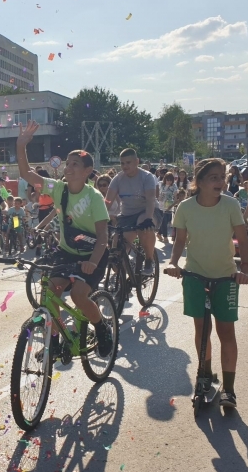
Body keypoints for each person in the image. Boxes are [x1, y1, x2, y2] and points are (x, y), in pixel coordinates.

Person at [17, 120, 114, 357]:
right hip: (67, 251)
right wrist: (21, 146)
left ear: (88, 171)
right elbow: (25, 173)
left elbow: (103, 237)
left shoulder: (94, 197)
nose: (68, 167)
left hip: (93, 255)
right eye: (67, 163)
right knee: (50, 294)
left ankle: (101, 328)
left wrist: (92, 262)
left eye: (75, 164)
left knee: (80, 295)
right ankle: (57, 340)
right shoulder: (57, 188)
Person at [165, 158, 248, 409]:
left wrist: (245, 269)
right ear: (200, 182)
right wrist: (174, 263)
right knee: (201, 330)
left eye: (222, 177)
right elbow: (180, 241)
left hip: (226, 276)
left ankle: (228, 389)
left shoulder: (231, 204)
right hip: (194, 275)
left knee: (226, 332)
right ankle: (205, 375)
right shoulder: (185, 207)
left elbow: (243, 240)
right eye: (214, 177)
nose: (220, 182)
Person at [105, 148, 161, 276]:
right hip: (127, 214)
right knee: (116, 245)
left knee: (143, 225)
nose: (125, 166)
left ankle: (149, 259)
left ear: (137, 161)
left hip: (148, 210)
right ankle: (124, 280)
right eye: (122, 163)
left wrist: (148, 218)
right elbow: (107, 201)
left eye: (128, 162)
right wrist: (100, 217)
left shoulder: (147, 177)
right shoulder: (118, 179)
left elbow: (151, 200)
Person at [157, 172, 178, 243]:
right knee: (164, 220)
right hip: (162, 205)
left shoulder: (174, 185)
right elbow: (158, 193)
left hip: (170, 205)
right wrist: (159, 197)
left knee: (166, 220)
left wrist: (175, 203)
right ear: (165, 179)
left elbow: (175, 195)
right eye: (167, 179)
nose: (169, 181)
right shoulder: (161, 184)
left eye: (170, 180)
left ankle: (159, 234)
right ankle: (165, 236)